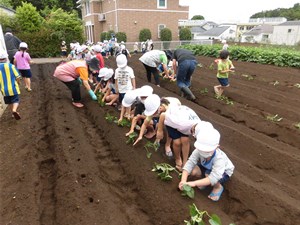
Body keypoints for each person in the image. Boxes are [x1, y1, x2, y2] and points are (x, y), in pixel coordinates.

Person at [179, 122, 235, 202]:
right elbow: (190, 163)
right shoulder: (198, 151)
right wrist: (183, 180)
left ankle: (218, 187)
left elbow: (214, 177)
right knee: (193, 170)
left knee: (208, 174)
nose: (204, 152)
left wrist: (194, 183)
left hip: (223, 172)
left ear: (216, 147)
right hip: (207, 166)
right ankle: (203, 181)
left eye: (207, 151)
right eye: (202, 150)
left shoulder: (219, 159)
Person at [154, 103, 201, 171]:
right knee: (177, 142)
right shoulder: (179, 122)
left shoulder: (199, 124)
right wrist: (160, 130)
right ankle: (178, 158)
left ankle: (185, 162)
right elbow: (163, 115)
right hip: (173, 121)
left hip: (183, 119)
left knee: (185, 140)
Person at [0, 51, 22, 120]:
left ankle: (13, 114)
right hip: (13, 88)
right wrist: (18, 83)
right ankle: (14, 110)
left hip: (4, 90)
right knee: (15, 100)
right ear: (6, 58)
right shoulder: (11, 66)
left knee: (9, 102)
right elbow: (18, 77)